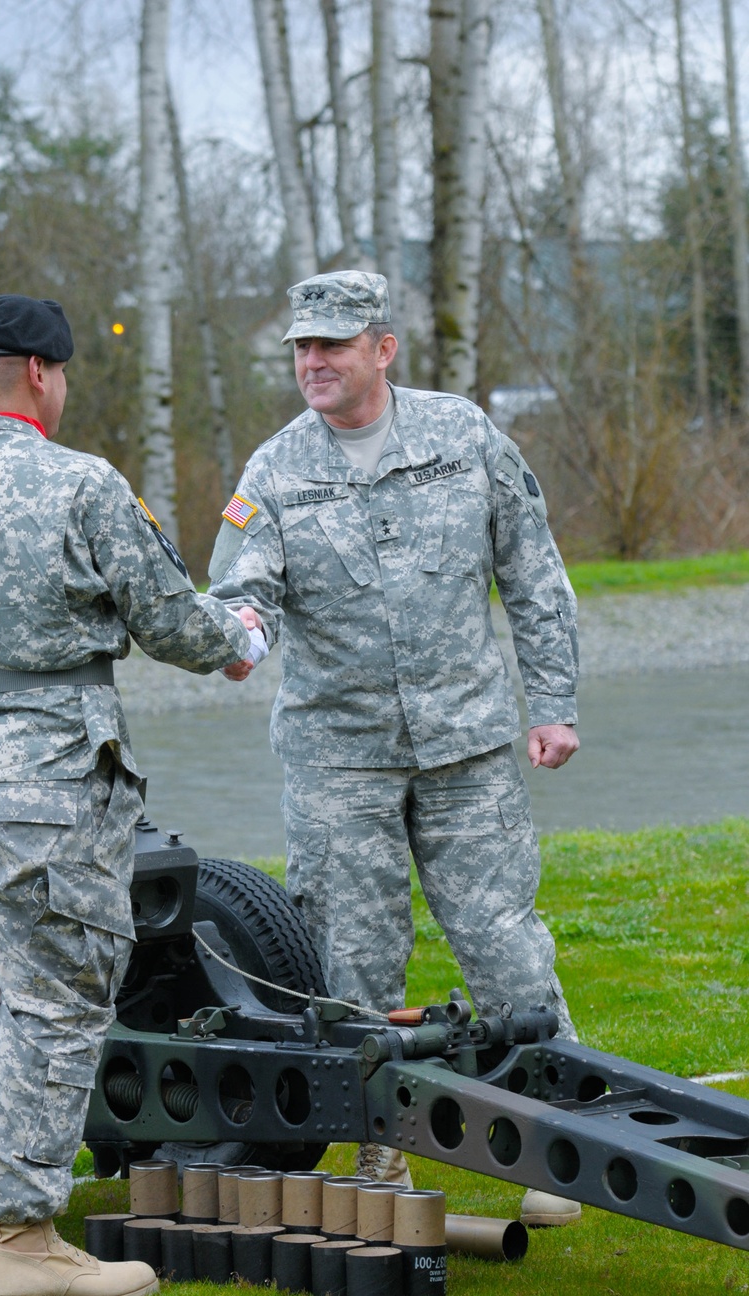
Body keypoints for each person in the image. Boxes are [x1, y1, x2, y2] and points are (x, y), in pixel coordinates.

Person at [0, 294, 254, 1296]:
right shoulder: (82, 485)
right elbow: (169, 620)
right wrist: (239, 639)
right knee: (61, 996)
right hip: (53, 777)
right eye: (66, 375)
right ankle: (30, 1244)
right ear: (42, 373)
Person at [210, 270, 581, 1224]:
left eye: (333, 344)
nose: (313, 362)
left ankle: (552, 1144)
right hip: (342, 761)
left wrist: (554, 704)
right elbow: (244, 586)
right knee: (355, 970)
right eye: (301, 346)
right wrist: (241, 634)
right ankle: (380, 1163)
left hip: (468, 747)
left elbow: (533, 572)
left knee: (509, 953)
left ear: (384, 348)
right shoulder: (276, 468)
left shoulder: (461, 436)